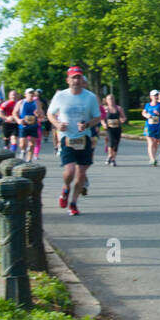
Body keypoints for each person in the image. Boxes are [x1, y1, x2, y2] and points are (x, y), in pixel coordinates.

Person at [47, 66, 101, 215]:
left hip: (84, 138)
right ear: (68, 80)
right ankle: (65, 188)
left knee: (81, 174)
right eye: (73, 77)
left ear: (82, 80)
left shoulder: (90, 97)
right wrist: (58, 124)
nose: (76, 80)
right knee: (70, 170)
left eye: (79, 77)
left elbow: (97, 117)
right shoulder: (60, 96)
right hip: (67, 137)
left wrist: (87, 125)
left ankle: (74, 203)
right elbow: (50, 114)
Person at [16, 88, 44, 162]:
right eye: (29, 93)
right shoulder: (21, 102)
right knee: (22, 143)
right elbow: (14, 113)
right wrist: (18, 120)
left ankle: (29, 161)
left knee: (32, 144)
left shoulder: (37, 103)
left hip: (33, 125)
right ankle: (22, 151)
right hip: (24, 125)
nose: (31, 94)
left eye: (32, 93)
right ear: (25, 95)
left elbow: (41, 114)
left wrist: (38, 114)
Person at [142, 90, 160, 166]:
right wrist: (147, 115)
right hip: (149, 126)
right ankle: (152, 159)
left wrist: (158, 114)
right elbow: (143, 112)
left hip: (158, 126)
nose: (155, 97)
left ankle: (154, 157)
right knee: (151, 142)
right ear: (150, 97)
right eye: (154, 95)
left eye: (156, 95)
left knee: (156, 143)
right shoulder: (147, 105)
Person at [102, 94, 127, 166]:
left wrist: (123, 120)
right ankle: (110, 156)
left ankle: (113, 158)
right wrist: (104, 124)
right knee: (111, 142)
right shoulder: (105, 109)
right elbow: (102, 118)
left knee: (116, 144)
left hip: (117, 128)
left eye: (112, 99)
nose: (111, 101)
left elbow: (123, 117)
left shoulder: (119, 108)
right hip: (109, 128)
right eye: (109, 99)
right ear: (106, 100)